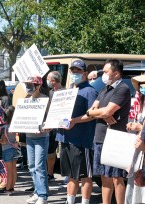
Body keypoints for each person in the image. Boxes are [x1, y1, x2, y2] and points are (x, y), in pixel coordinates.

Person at [86, 59, 131, 204]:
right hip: (99, 138)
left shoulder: (122, 88)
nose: (103, 75)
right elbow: (90, 111)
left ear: (116, 74)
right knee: (104, 177)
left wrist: (100, 113)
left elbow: (106, 111)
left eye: (106, 72)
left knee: (117, 178)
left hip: (115, 138)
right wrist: (100, 113)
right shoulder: (104, 89)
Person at [56, 60, 98, 204]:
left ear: (85, 74)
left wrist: (75, 120)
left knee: (85, 175)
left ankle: (85, 202)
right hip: (66, 138)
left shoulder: (90, 91)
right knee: (70, 175)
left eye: (78, 71)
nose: (75, 74)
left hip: (82, 140)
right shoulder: (68, 91)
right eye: (73, 71)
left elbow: (92, 114)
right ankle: (70, 201)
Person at [24, 76, 49, 204]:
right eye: (27, 85)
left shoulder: (45, 99)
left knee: (39, 166)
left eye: (31, 85)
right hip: (29, 136)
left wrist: (45, 126)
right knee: (32, 166)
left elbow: (51, 118)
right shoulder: (26, 100)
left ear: (38, 86)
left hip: (41, 137)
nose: (28, 87)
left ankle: (43, 196)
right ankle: (37, 192)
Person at [124, 75, 145, 204]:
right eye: (141, 85)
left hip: (143, 149)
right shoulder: (141, 104)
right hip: (139, 151)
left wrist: (140, 127)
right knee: (135, 187)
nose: (142, 87)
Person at [46, 71, 63, 180]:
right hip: (50, 126)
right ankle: (49, 173)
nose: (47, 81)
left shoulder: (65, 92)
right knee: (50, 151)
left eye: (48, 79)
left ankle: (51, 173)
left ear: (53, 81)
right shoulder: (50, 92)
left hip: (62, 126)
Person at [0, 106, 18, 194]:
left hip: (7, 149)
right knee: (14, 169)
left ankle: (8, 188)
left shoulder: (4, 128)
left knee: (8, 170)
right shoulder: (15, 126)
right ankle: (12, 186)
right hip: (15, 149)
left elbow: (4, 141)